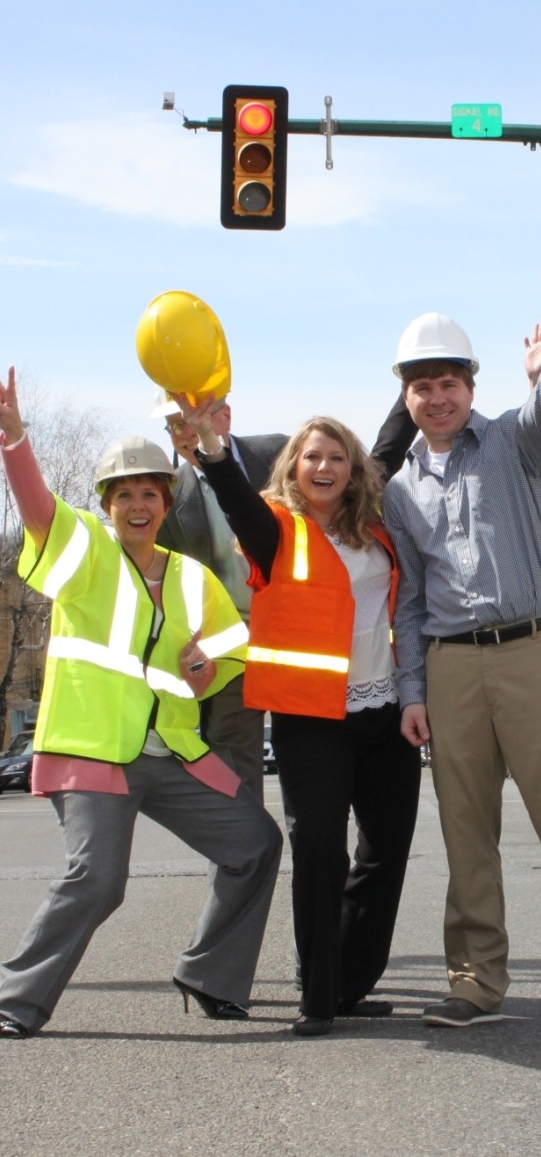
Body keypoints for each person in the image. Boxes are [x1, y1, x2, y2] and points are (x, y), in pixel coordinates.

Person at [382, 304, 541, 1035]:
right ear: (404, 395)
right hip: (450, 666)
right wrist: (412, 690)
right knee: (466, 830)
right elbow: (408, 600)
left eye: (449, 382)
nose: (437, 398)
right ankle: (474, 980)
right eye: (421, 386)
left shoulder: (514, 442)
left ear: (470, 384)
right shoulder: (398, 490)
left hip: (534, 652)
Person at [0, 369, 282, 1039]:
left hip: (172, 754)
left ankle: (209, 974)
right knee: (99, 880)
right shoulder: (85, 555)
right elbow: (39, 511)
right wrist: (15, 441)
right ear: (106, 503)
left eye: (149, 493)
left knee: (256, 845)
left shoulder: (193, 577)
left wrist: (210, 665)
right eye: (123, 493)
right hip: (95, 750)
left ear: (165, 501)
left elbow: (234, 651)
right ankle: (15, 999)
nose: (137, 504)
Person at [175, 397, 421, 1037]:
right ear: (294, 465)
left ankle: (349, 983)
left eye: (337, 456)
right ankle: (318, 996)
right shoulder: (276, 530)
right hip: (311, 719)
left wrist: (410, 381)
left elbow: (391, 441)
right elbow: (233, 494)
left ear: (352, 468)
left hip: (386, 711)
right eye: (313, 455)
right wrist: (211, 446)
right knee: (319, 852)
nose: (324, 465)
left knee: (385, 851)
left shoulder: (374, 524)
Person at [153, 390, 287, 800]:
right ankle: (241, 863)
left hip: (295, 637)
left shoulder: (281, 455)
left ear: (225, 416)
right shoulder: (167, 497)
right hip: (228, 648)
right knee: (233, 780)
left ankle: (314, 864)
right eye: (176, 423)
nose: (187, 430)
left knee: (312, 764)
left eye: (196, 417)